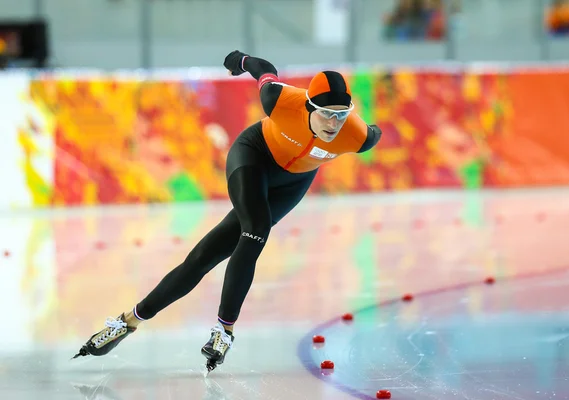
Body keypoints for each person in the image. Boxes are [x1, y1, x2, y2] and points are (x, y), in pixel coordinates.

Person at [73, 50, 383, 373]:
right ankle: (225, 329)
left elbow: (375, 132)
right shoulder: (280, 101)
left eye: (341, 115)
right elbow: (264, 69)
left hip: (291, 185)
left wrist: (369, 126)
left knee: (204, 256)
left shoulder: (356, 135)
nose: (334, 124)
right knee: (256, 228)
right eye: (326, 114)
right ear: (308, 106)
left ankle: (128, 321)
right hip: (254, 157)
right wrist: (242, 60)